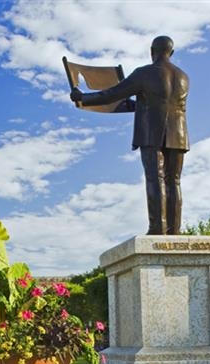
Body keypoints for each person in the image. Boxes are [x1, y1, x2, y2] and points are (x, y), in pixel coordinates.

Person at [70, 35, 189, 235]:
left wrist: (83, 98)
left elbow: (112, 93)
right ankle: (174, 231)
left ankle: (157, 229)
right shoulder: (183, 76)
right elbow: (160, 103)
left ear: (152, 51)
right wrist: (137, 105)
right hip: (179, 133)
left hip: (152, 133)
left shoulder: (144, 73)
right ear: (172, 52)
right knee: (174, 181)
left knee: (155, 179)